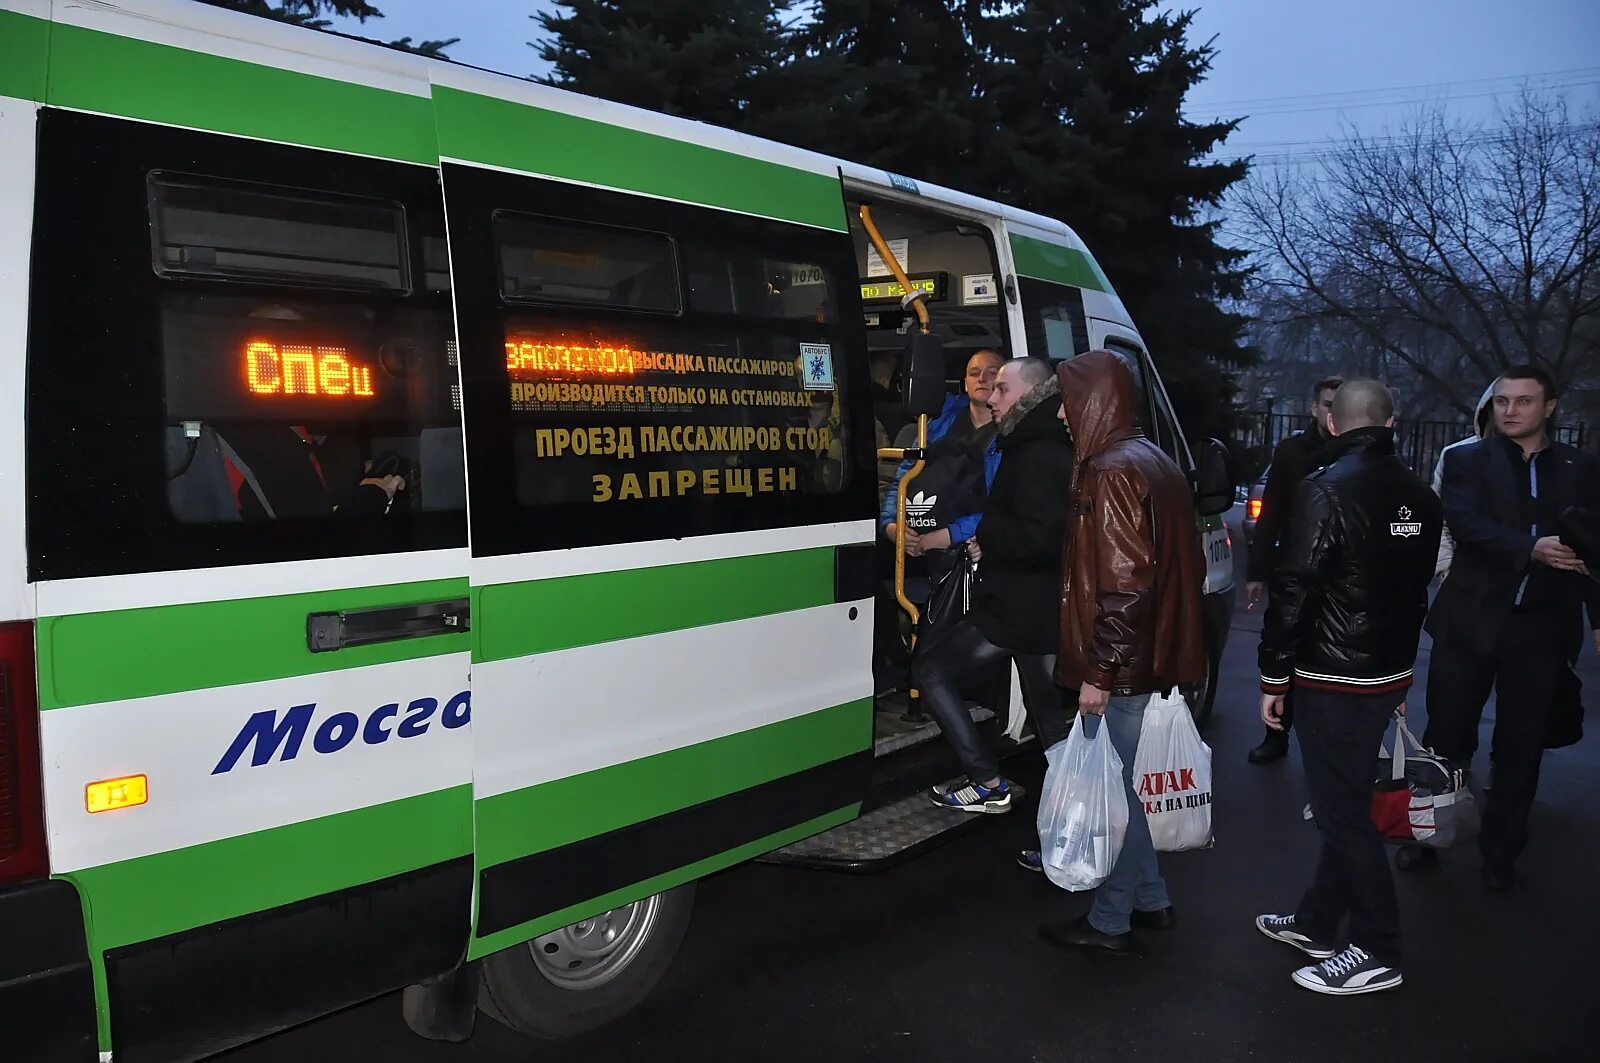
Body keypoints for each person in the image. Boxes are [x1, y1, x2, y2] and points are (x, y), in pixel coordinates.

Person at [1253, 379, 1441, 997]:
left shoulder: (1325, 488)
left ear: (1332, 423)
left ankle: (1377, 948)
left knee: (1342, 816)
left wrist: (1274, 675)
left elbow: (1295, 588)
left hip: (1333, 676)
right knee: (1346, 807)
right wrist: (1402, 672)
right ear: (1392, 422)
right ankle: (1316, 921)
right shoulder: (1420, 496)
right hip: (1384, 672)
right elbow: (1412, 591)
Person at [1406, 365, 1600, 889]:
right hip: (1470, 617)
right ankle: (1425, 836)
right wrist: (1530, 547)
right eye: (1502, 402)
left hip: (1541, 624)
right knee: (1446, 734)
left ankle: (1501, 854)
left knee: (1522, 743)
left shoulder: (1580, 467)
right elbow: (1464, 523)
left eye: (1523, 401)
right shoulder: (1467, 458)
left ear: (1551, 407)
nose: (1510, 411)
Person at [1038, 350, 1205, 955]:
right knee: (1127, 787)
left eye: (1067, 400)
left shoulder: (1110, 471)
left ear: (1093, 402)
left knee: (1116, 797)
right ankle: (1151, 900)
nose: (1060, 413)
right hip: (1151, 660)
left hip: (1124, 666)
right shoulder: (1153, 460)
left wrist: (1100, 674)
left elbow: (1126, 585)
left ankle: (1110, 920)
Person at [918, 357, 1076, 812]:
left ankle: (1002, 789)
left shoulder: (1038, 453)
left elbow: (1042, 537)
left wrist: (986, 537)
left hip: (1023, 610)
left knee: (933, 669)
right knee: (1052, 725)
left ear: (1031, 393)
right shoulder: (1034, 444)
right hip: (1026, 610)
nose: (991, 397)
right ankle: (1075, 831)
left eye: (1002, 389)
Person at [1245, 376, 1343, 764]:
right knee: (1282, 651)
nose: (1332, 412)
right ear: (1314, 407)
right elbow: (1271, 514)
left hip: (1342, 575)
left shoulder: (1359, 454)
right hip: (1295, 569)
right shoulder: (1291, 452)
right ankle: (1276, 734)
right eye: (1327, 404)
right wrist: (1258, 571)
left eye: (1339, 404)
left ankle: (1322, 748)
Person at [879, 349, 1005, 570]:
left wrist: (948, 535)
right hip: (921, 545)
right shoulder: (935, 426)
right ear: (965, 384)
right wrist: (891, 524)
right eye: (974, 373)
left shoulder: (1009, 434)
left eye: (991, 373)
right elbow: (904, 478)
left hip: (976, 548)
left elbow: (1004, 506)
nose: (982, 379)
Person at [1431, 384, 1496, 580]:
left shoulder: (1549, 461)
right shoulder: (1456, 456)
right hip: (1463, 576)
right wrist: (1446, 568)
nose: (1510, 411)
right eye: (1501, 402)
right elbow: (1437, 516)